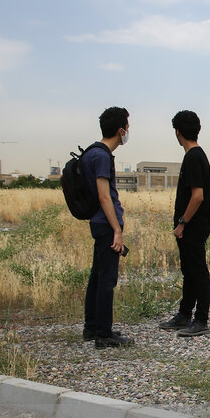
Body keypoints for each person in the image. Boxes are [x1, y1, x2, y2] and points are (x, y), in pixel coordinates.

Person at [82, 107, 134, 349]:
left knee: (97, 276)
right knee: (107, 280)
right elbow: (104, 197)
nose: (128, 132)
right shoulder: (102, 156)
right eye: (127, 127)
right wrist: (117, 230)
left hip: (97, 222)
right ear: (120, 130)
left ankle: (92, 327)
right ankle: (103, 333)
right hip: (106, 224)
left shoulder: (90, 153)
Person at [158, 110, 210, 338]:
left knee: (197, 271)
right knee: (189, 271)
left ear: (177, 132)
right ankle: (183, 315)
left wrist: (182, 222)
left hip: (193, 225)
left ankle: (200, 319)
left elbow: (197, 196)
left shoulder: (193, 157)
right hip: (194, 225)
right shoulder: (197, 155)